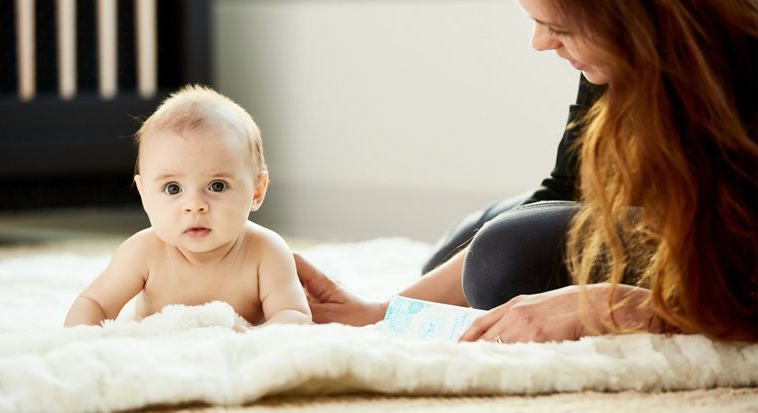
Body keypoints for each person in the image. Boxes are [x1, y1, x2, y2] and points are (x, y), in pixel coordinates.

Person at [295, 0, 757, 343]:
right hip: (664, 212)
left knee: (503, 259)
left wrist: (631, 306)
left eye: (558, 28)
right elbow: (567, 187)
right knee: (467, 248)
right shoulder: (621, 59)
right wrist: (384, 312)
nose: (539, 43)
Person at [65, 85, 312, 327]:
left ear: (257, 191)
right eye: (173, 188)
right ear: (144, 195)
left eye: (217, 185)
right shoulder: (143, 252)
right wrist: (82, 341)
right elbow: (94, 302)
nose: (194, 206)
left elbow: (294, 315)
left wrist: (249, 342)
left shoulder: (265, 251)